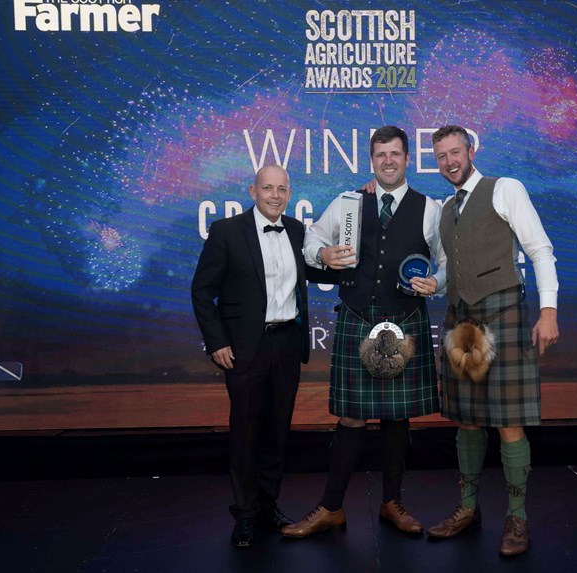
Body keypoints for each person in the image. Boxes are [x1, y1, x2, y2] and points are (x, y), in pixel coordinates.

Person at [281, 125, 447, 538]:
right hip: (357, 316)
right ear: (371, 160)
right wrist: (322, 251)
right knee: (351, 418)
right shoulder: (350, 202)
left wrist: (437, 282)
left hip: (405, 320)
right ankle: (331, 507)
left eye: (395, 154)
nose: (387, 161)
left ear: (408, 159)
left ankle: (392, 502)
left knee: (397, 417)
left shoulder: (431, 209)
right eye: (380, 155)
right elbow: (312, 238)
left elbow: (446, 262)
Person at [426, 125, 559, 557]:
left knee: (508, 422)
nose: (449, 161)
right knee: (465, 420)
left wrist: (549, 311)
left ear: (470, 150)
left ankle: (516, 519)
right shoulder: (446, 209)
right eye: (441, 155)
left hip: (504, 319)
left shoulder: (506, 189)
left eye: (455, 152)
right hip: (461, 325)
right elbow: (451, 266)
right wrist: (435, 281)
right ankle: (468, 510)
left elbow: (539, 249)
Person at [191, 165, 310, 548]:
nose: (275, 195)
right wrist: (217, 342)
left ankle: (267, 507)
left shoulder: (297, 230)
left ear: (290, 193)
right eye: (268, 188)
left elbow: (320, 272)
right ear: (253, 190)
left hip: (287, 343)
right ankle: (243, 514)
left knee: (277, 431)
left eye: (282, 189)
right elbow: (201, 291)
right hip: (244, 349)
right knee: (245, 432)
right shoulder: (227, 232)